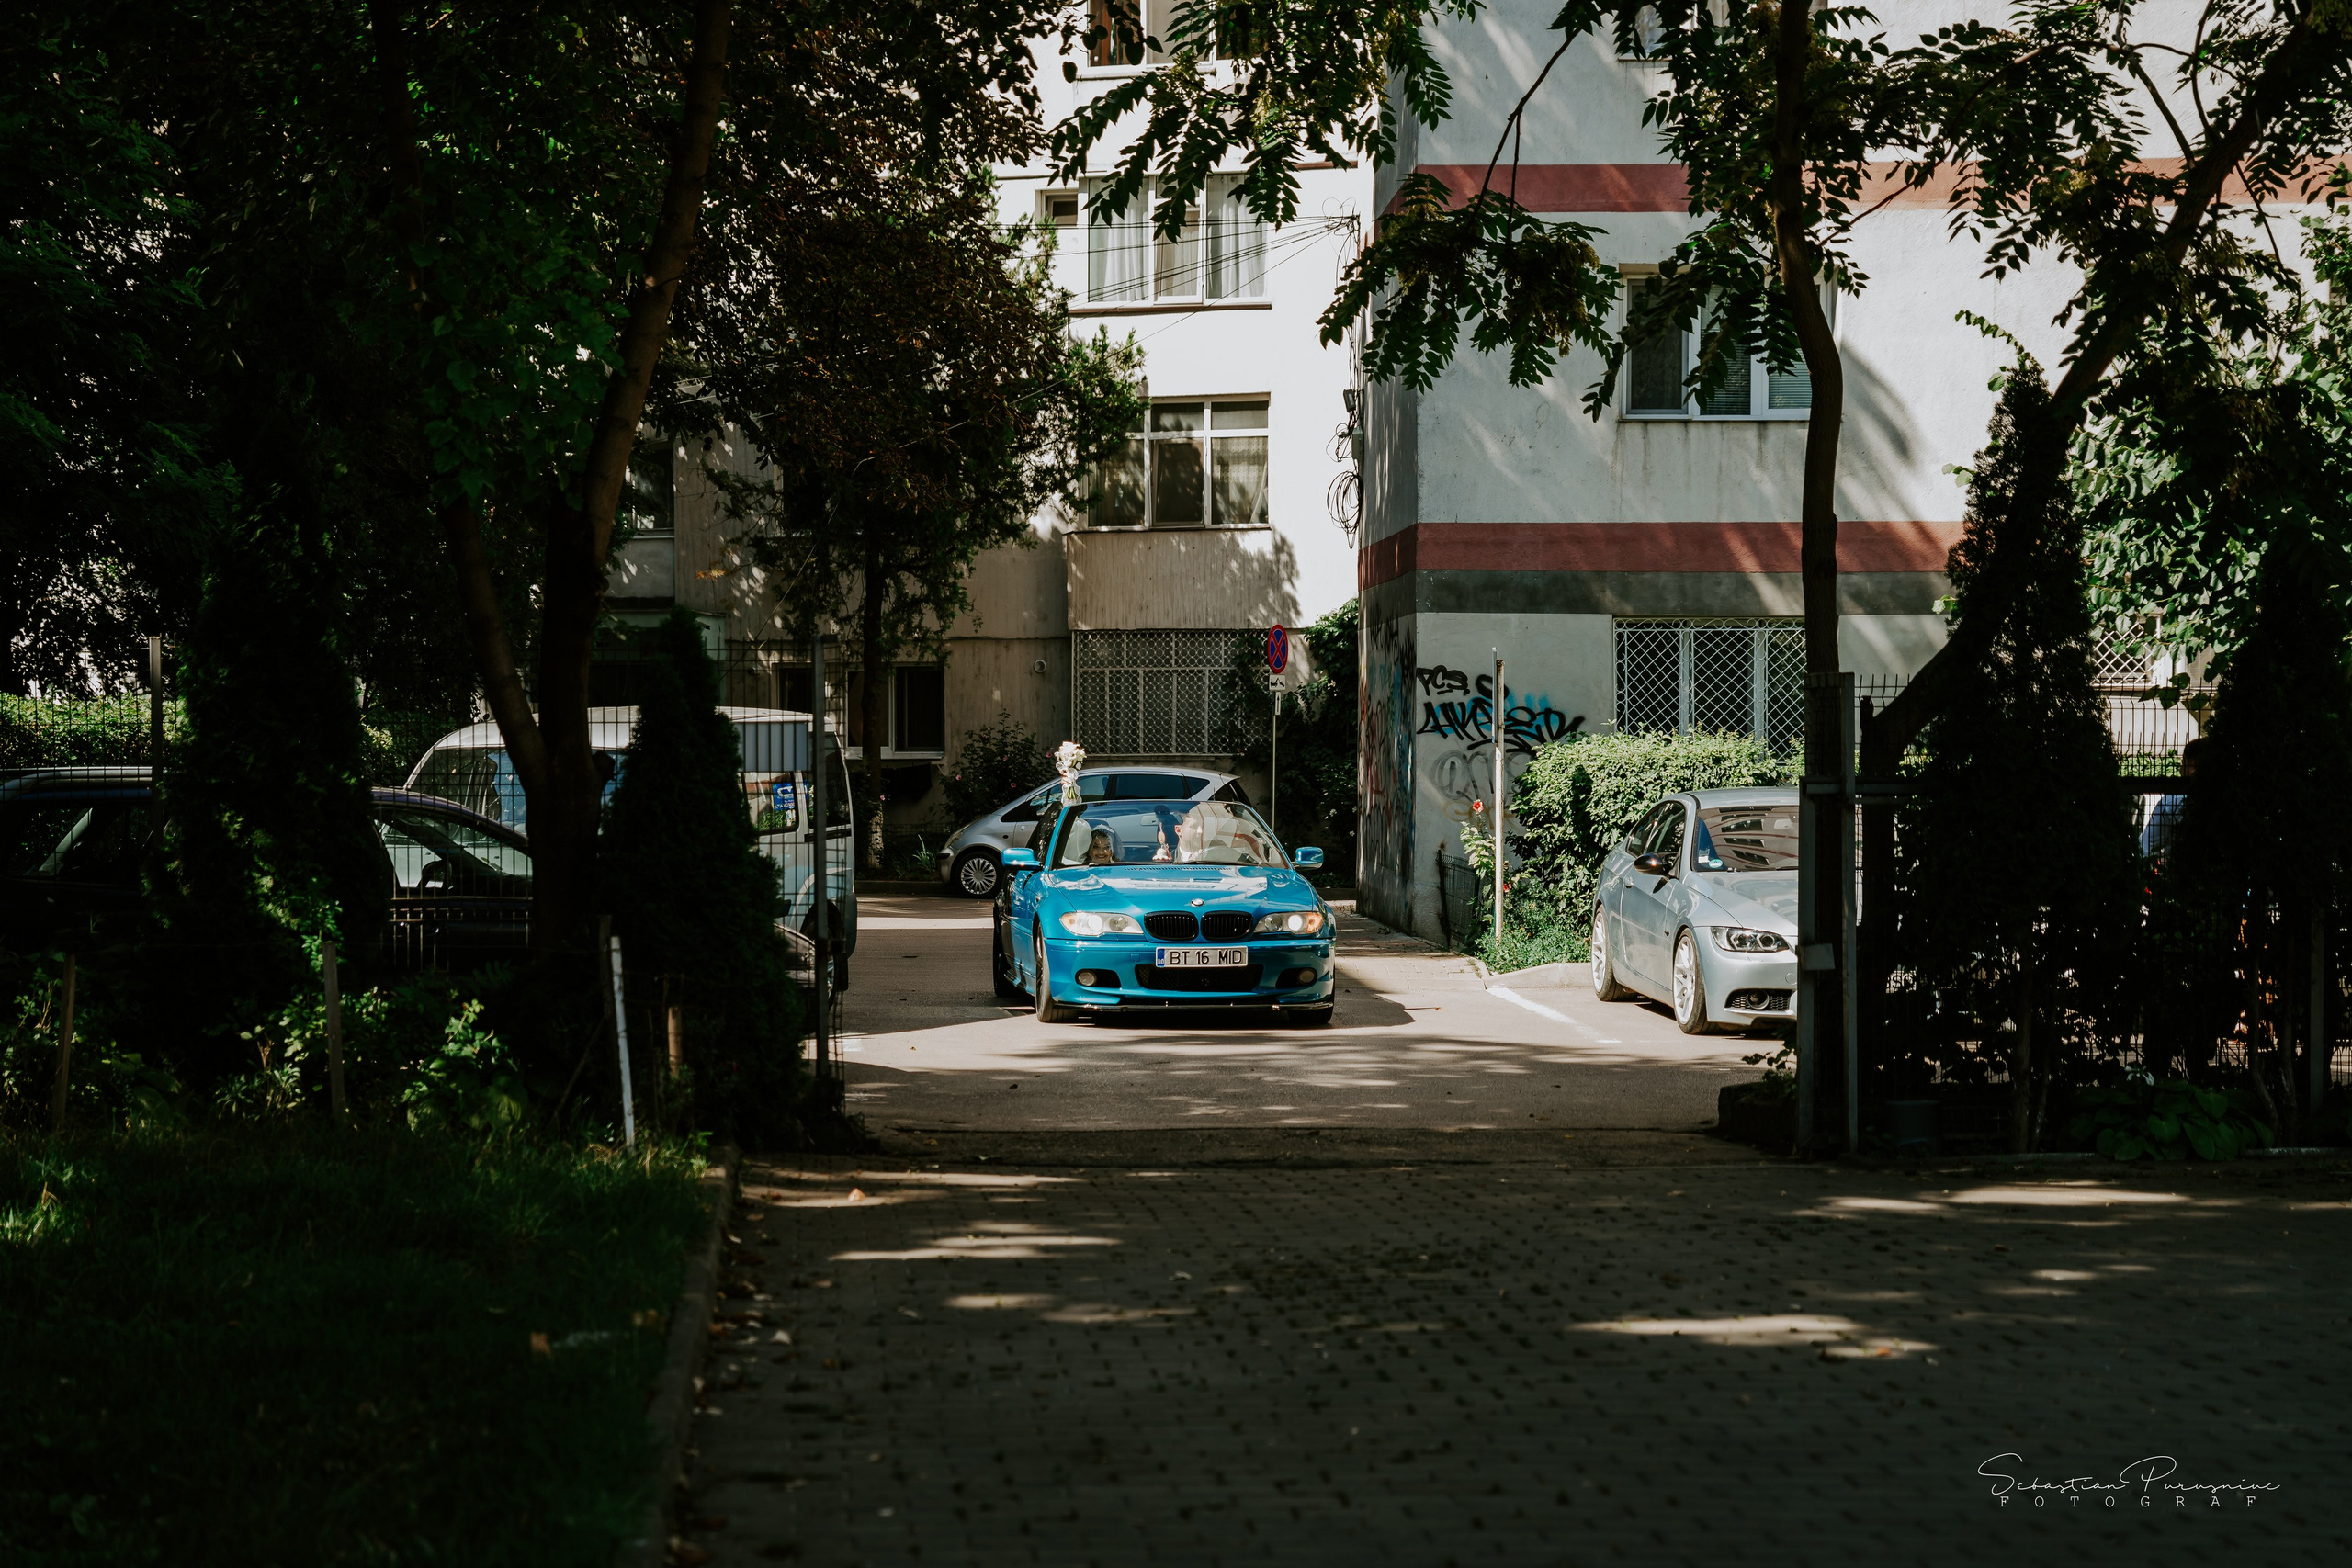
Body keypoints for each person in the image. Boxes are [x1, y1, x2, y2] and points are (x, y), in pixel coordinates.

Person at [2141, 737, 2201, 862]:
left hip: (2180, 870)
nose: (2180, 769)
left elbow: (2147, 846)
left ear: (2193, 767)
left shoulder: (2172, 801)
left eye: (2183, 763)